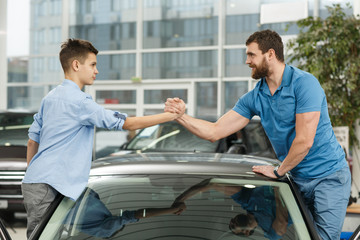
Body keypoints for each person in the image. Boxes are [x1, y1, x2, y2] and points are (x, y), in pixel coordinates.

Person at [165, 29, 351, 240]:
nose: (247, 61)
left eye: (251, 55)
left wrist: (279, 171)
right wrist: (180, 116)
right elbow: (214, 132)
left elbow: (304, 141)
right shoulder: (255, 97)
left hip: (328, 176)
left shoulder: (304, 84)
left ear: (270, 54)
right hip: (296, 178)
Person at [22, 38, 185, 239]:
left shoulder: (50, 98)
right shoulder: (80, 102)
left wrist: (34, 174)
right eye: (92, 65)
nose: (96, 71)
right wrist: (172, 116)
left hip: (40, 182)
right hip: (51, 185)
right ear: (76, 65)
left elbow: (32, 141)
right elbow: (128, 124)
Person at [172, 179, 290, 239]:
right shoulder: (269, 232)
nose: (232, 222)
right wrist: (276, 192)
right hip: (303, 198)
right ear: (247, 232)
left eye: (230, 223)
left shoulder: (245, 201)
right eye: (233, 227)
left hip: (287, 180)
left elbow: (212, 184)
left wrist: (181, 199)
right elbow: (282, 224)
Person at [62, 188, 186, 238]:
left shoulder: (106, 231)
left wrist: (172, 210)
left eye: (120, 227)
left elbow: (135, 215)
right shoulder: (99, 216)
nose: (121, 227)